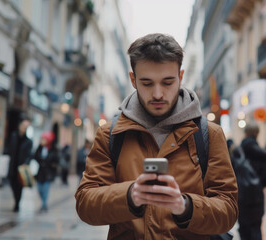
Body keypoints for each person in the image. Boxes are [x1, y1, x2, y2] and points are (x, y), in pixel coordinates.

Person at [75, 33, 238, 239]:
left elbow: (229, 210)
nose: (158, 94)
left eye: (168, 82)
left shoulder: (209, 134)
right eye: (147, 83)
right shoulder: (110, 134)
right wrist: (130, 195)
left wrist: (185, 206)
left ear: (180, 76)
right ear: (133, 80)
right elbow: (85, 204)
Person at [237, 123, 266, 240]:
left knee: (243, 227)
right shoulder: (263, 155)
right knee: (256, 227)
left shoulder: (238, 152)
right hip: (257, 196)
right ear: (257, 134)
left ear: (245, 133)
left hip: (242, 196)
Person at [7, 116, 32, 212]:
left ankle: (17, 203)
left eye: (26, 127)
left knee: (19, 186)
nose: (24, 128)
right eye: (23, 126)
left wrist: (26, 163)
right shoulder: (13, 136)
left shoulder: (28, 141)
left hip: (22, 167)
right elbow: (8, 149)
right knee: (12, 184)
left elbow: (30, 155)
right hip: (12, 165)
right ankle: (16, 199)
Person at [34, 131, 59, 213]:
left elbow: (56, 159)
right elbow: (35, 156)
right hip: (40, 172)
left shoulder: (53, 149)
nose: (42, 141)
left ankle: (44, 205)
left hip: (48, 173)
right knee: (39, 189)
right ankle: (43, 203)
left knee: (45, 189)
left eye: (44, 139)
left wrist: (52, 165)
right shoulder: (40, 148)